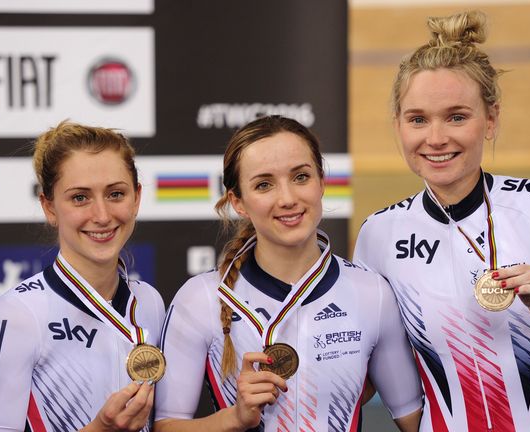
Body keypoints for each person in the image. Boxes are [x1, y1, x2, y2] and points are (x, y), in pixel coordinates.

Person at [353, 10, 530, 431]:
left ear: (490, 120)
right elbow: (366, 378)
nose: (435, 138)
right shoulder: (378, 234)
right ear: (398, 125)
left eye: (456, 116)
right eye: (418, 119)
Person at [155, 115, 423, 432]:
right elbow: (166, 427)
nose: (287, 199)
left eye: (300, 177)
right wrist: (235, 418)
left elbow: (414, 420)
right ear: (238, 202)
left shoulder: (371, 293)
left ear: (322, 182)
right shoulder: (201, 298)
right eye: (264, 184)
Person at [0, 121, 165, 432]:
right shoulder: (15, 316)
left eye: (116, 194)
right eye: (80, 198)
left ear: (137, 198)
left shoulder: (150, 303)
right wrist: (100, 428)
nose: (102, 215)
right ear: (49, 206)